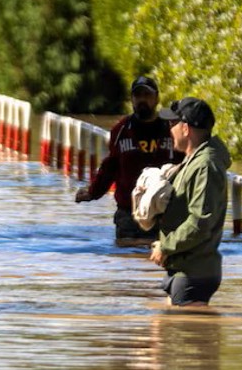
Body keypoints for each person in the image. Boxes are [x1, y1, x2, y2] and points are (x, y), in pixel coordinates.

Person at [75, 74, 179, 245]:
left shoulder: (170, 129)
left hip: (163, 213)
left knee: (159, 261)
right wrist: (93, 192)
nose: (142, 100)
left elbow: (185, 164)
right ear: (131, 99)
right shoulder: (121, 130)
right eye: (138, 96)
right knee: (127, 260)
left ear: (157, 98)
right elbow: (110, 167)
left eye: (147, 95)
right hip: (128, 214)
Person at [148, 97, 232, 307]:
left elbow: (200, 222)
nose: (170, 129)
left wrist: (166, 247)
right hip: (183, 267)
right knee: (167, 333)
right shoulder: (194, 160)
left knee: (188, 337)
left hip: (195, 272)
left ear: (185, 129)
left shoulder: (206, 165)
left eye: (172, 124)